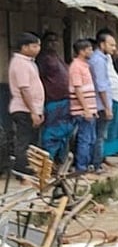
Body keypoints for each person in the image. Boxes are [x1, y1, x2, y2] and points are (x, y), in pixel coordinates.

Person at [9, 32, 45, 175]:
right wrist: (34, 112)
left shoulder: (29, 62)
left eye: (38, 46)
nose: (38, 49)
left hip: (32, 108)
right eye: (34, 46)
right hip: (24, 109)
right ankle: (22, 173)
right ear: (24, 47)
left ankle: (31, 171)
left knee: (32, 142)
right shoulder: (20, 63)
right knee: (24, 141)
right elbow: (24, 89)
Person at [35, 32, 73, 167]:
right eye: (50, 41)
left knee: (65, 132)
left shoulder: (56, 56)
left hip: (65, 100)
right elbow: (38, 79)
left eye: (56, 40)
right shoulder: (43, 59)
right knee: (52, 133)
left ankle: (59, 162)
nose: (53, 43)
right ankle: (47, 163)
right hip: (53, 101)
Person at [88, 29, 117, 171]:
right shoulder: (98, 60)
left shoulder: (101, 59)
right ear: (102, 44)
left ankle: (94, 163)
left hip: (99, 103)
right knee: (99, 136)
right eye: (111, 45)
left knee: (96, 135)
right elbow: (101, 85)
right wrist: (107, 107)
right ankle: (96, 164)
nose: (114, 48)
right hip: (100, 104)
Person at [68, 39, 97, 173]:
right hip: (82, 111)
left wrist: (92, 109)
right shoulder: (76, 67)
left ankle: (86, 166)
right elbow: (78, 89)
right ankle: (81, 168)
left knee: (90, 139)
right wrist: (86, 109)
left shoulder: (85, 65)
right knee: (84, 140)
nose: (91, 51)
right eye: (89, 49)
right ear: (81, 51)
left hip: (89, 110)